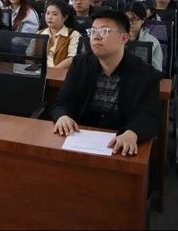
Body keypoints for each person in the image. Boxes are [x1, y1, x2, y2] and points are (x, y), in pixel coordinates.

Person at [51, 11, 161, 156]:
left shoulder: (145, 73)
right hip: (81, 138)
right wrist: (63, 116)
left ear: (124, 38)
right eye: (93, 31)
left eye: (104, 31)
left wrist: (133, 132)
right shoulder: (80, 64)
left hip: (120, 143)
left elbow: (149, 115)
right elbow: (62, 102)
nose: (96, 37)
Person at [37, 0, 82, 69]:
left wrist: (53, 71)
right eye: (47, 13)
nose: (49, 17)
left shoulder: (73, 34)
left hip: (62, 73)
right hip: (39, 72)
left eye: (54, 14)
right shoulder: (39, 33)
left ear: (64, 17)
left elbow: (72, 58)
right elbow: (29, 56)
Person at [126, 2, 163, 72]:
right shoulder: (117, 38)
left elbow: (156, 72)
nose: (129, 23)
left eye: (134, 19)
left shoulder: (153, 42)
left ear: (142, 20)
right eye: (126, 19)